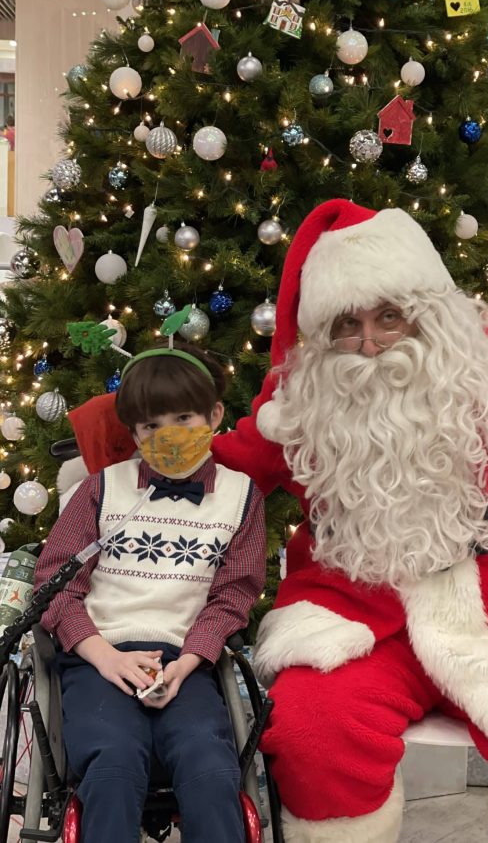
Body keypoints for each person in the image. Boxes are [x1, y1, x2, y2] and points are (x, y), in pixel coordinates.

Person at [59, 201, 488, 843]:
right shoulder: (306, 395)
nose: (371, 341)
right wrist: (108, 460)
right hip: (361, 616)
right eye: (347, 324)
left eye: (389, 316)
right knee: (309, 729)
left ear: (427, 307)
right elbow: (227, 460)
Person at [34, 343, 267, 843]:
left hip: (185, 659)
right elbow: (56, 586)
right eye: (150, 426)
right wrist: (102, 656)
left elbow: (232, 596)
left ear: (215, 415)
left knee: (209, 766)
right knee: (114, 763)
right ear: (134, 431)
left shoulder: (241, 497)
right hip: (99, 656)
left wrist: (188, 662)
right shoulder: (99, 490)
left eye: (184, 417)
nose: (169, 436)